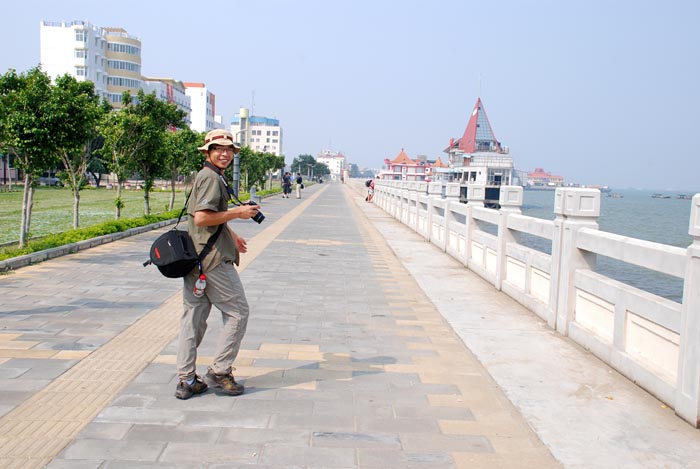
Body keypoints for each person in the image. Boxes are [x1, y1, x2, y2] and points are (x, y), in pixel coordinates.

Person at [175, 129, 261, 400]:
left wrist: (231, 235)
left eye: (228, 150)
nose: (224, 153)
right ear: (208, 151)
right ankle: (221, 371)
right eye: (218, 149)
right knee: (238, 312)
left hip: (195, 260)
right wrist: (238, 213)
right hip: (212, 262)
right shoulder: (211, 178)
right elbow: (201, 218)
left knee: (193, 321)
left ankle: (187, 379)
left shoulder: (207, 175)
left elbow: (206, 218)